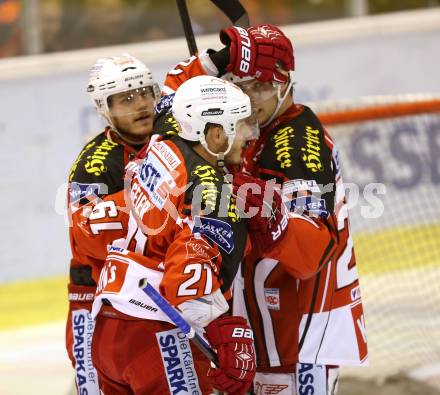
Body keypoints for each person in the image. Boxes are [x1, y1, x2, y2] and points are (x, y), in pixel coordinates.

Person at [161, 23, 368, 394]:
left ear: (285, 82)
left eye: (257, 86)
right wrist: (211, 63)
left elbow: (312, 253)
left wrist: (273, 218)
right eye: (238, 84)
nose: (247, 97)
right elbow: (172, 109)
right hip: (266, 327)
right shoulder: (248, 127)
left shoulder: (295, 147)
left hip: (299, 334)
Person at [90, 75, 265, 394]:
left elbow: (173, 103)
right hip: (159, 337)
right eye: (239, 125)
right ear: (215, 134)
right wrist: (224, 332)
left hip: (107, 329)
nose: (249, 136)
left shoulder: (162, 143)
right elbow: (189, 287)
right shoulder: (215, 197)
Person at [65, 53, 160, 394]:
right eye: (127, 99)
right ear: (104, 108)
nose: (142, 104)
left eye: (147, 92)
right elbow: (86, 239)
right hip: (93, 296)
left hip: (155, 296)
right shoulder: (94, 164)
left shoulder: (173, 140)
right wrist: (148, 199)